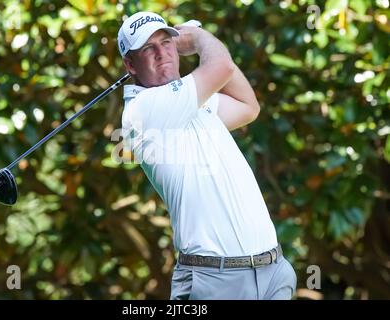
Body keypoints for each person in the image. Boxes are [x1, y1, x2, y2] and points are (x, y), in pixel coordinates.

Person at [117, 11, 297, 300]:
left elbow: (248, 106)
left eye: (166, 43)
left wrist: (199, 43)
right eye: (148, 48)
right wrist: (199, 38)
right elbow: (222, 66)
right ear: (130, 64)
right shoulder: (142, 110)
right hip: (214, 281)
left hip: (272, 271)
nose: (162, 53)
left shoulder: (196, 102)